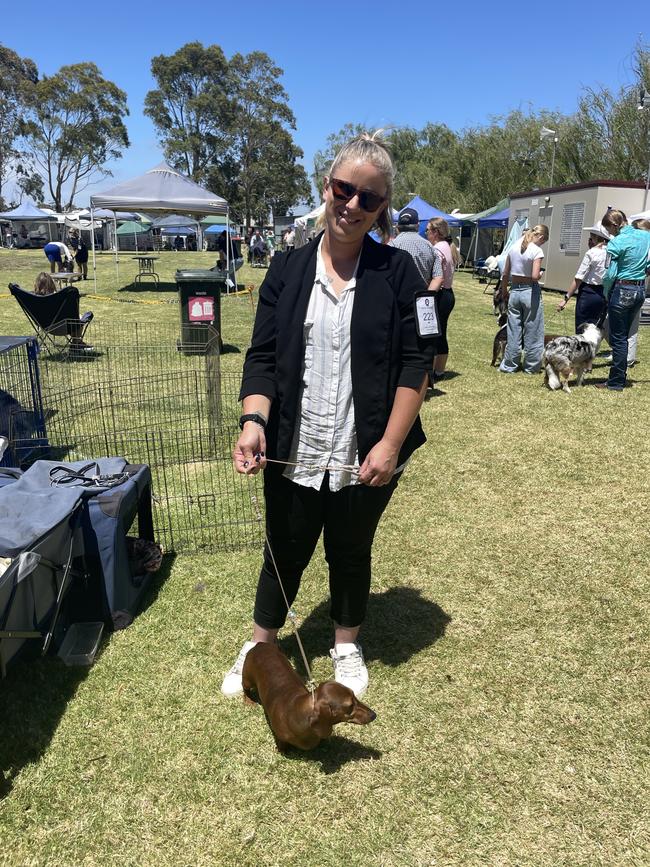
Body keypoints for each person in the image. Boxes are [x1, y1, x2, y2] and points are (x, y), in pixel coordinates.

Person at [222, 131, 433, 699]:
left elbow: (419, 365)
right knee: (283, 545)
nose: (353, 205)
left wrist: (390, 444)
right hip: (295, 440)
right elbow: (262, 357)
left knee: (350, 545)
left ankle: (345, 644)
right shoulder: (287, 270)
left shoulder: (399, 274)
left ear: (383, 207)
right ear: (327, 187)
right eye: (346, 189)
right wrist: (254, 423)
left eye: (370, 198)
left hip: (364, 448)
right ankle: (261, 644)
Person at [596, 209, 650, 390]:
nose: (608, 234)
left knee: (618, 338)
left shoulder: (616, 243)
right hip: (640, 289)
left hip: (622, 290)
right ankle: (620, 376)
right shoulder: (645, 236)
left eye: (608, 230)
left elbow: (610, 274)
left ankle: (616, 381)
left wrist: (606, 292)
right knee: (625, 336)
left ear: (614, 225)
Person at [498, 224, 549, 374]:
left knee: (514, 330)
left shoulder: (514, 247)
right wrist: (540, 274)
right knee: (533, 330)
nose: (542, 244)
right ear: (540, 237)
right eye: (543, 241)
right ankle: (531, 366)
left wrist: (504, 289)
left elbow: (505, 273)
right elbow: (534, 276)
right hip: (529, 291)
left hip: (514, 291)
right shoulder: (536, 250)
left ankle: (510, 364)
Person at [557, 223, 609, 330]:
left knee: (582, 328)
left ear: (595, 238)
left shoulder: (591, 253)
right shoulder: (610, 252)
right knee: (595, 329)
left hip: (588, 292)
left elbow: (579, 278)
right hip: (603, 292)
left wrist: (566, 298)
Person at [425, 217, 459, 381]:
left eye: (427, 230)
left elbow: (435, 275)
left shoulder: (437, 249)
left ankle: (432, 370)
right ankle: (439, 370)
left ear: (435, 232)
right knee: (440, 333)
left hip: (440, 295)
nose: (426, 234)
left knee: (432, 334)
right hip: (448, 294)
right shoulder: (446, 246)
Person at [389, 207, 443, 288]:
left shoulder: (391, 246)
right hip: (421, 295)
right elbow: (438, 278)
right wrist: (425, 297)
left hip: (397, 297)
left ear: (398, 226)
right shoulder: (429, 247)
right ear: (417, 225)